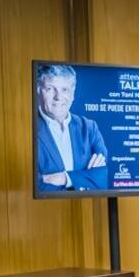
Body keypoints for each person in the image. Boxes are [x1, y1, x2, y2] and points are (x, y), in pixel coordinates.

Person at [35, 63, 108, 191]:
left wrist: (65, 178)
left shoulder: (89, 128)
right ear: (38, 90)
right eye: (50, 89)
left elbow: (105, 177)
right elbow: (35, 184)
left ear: (72, 94)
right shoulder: (28, 130)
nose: (58, 97)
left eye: (65, 90)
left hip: (87, 205)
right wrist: (85, 179)